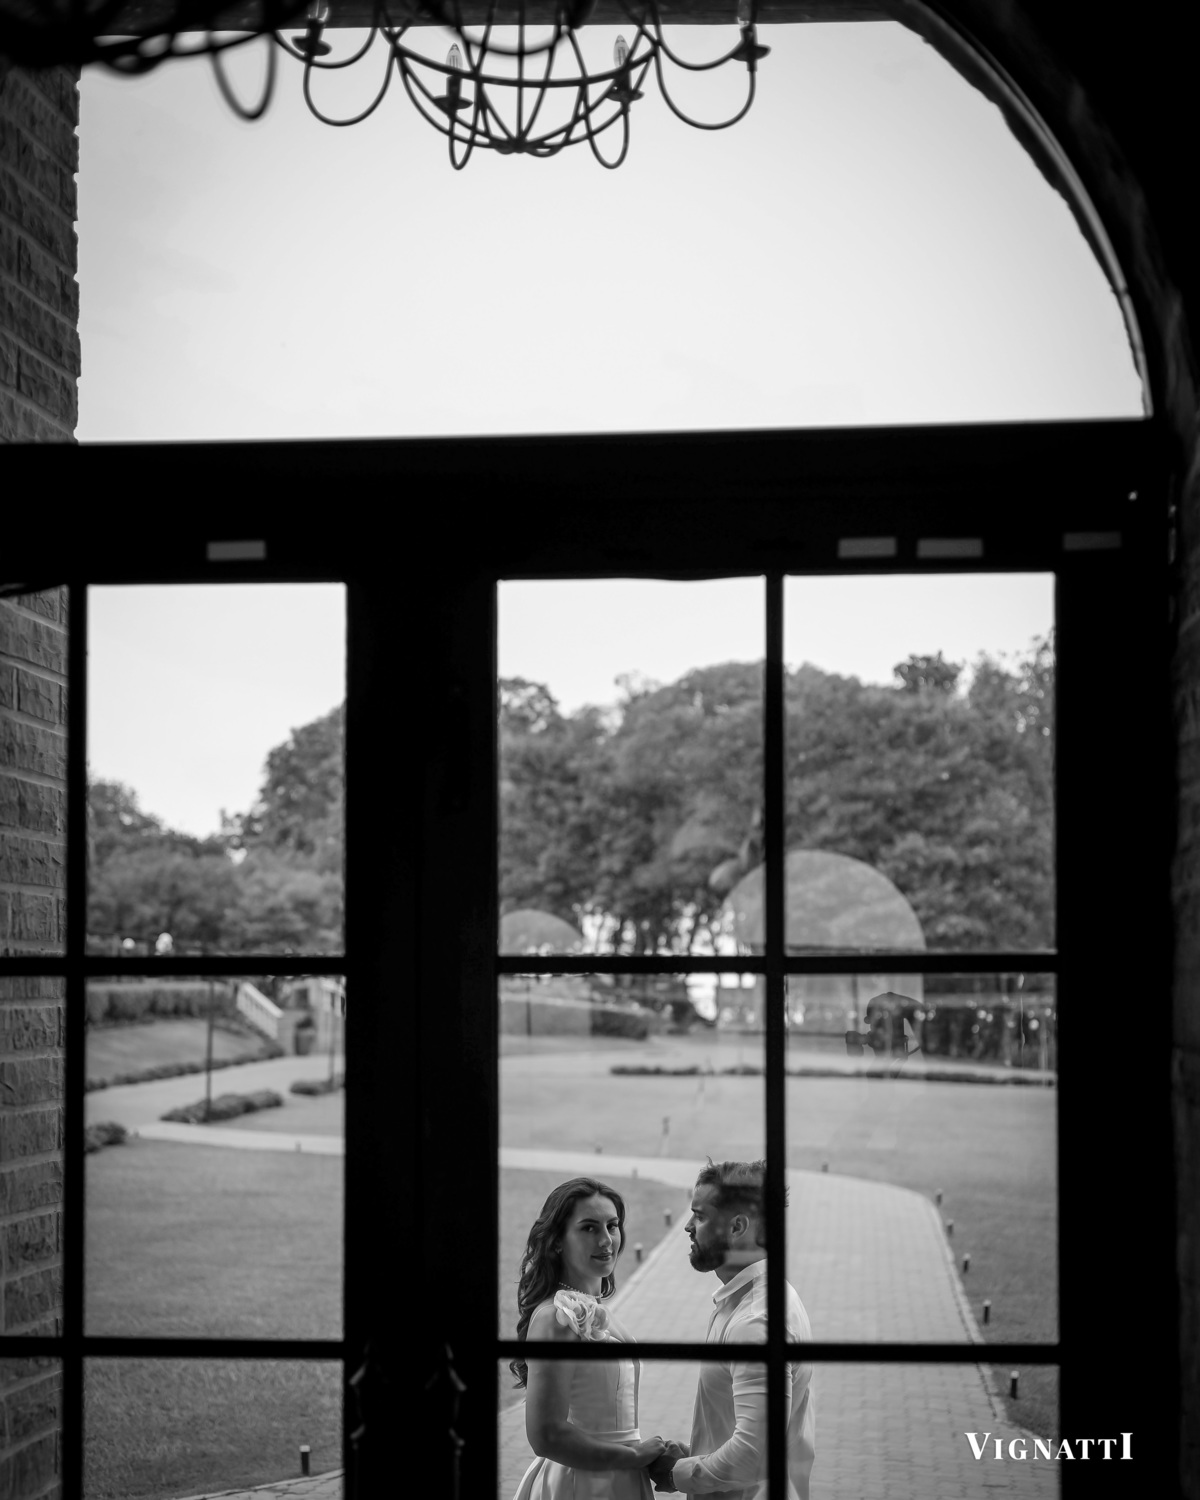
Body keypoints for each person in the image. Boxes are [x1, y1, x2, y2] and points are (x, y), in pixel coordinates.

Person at [646, 1159, 815, 1499]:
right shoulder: (755, 1299)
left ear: (737, 1227)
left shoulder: (755, 1323)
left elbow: (754, 1455)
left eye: (700, 1216)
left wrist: (677, 1473)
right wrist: (697, 1452)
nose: (688, 1227)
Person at [511, 1177, 675, 1499]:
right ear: (557, 1241)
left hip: (623, 1477)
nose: (606, 1240)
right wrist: (633, 1455)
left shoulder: (600, 1311)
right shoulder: (555, 1318)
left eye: (612, 1226)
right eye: (589, 1228)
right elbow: (546, 1435)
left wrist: (647, 1456)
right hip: (580, 1484)